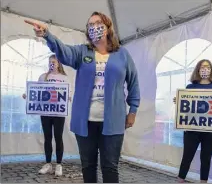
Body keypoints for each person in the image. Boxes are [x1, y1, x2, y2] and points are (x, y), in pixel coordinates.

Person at [24, 11, 140, 183]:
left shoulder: (122, 54)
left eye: (98, 23)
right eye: (90, 25)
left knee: (110, 167)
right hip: (85, 122)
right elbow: (63, 52)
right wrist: (48, 35)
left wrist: (133, 110)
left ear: (107, 27)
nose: (94, 27)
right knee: (88, 166)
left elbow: (133, 83)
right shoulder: (82, 52)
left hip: (113, 121)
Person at [173, 59, 212, 183]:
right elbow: (187, 108)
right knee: (187, 157)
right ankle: (180, 180)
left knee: (206, 158)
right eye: (202, 67)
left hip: (210, 129)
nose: (204, 69)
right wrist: (179, 101)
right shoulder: (190, 87)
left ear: (211, 69)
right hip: (192, 129)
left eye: (207, 67)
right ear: (197, 69)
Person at [22, 55, 70, 176]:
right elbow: (37, 92)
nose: (51, 64)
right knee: (47, 137)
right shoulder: (43, 77)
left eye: (53, 62)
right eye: (49, 62)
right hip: (45, 112)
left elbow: (68, 94)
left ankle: (59, 164)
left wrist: (68, 97)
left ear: (59, 63)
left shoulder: (64, 78)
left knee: (58, 137)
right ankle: (48, 164)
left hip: (58, 113)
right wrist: (28, 96)